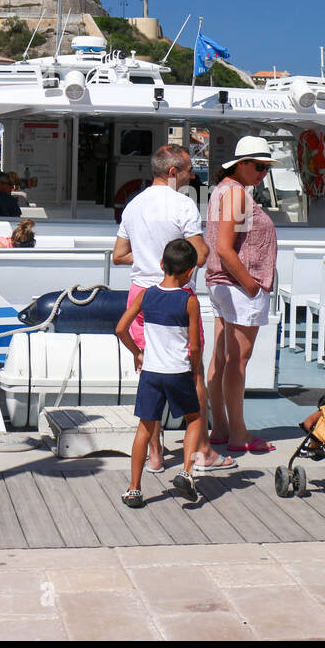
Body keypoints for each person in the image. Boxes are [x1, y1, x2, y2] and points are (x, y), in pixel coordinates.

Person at [113, 144, 232, 472]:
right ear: (172, 172)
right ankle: (203, 451)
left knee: (148, 370)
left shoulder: (133, 205)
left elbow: (119, 254)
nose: (193, 175)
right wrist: (184, 259)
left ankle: (154, 454)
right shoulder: (183, 204)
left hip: (140, 295)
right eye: (189, 170)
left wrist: (150, 256)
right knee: (192, 371)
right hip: (176, 295)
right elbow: (201, 254)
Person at [116, 239, 207, 508]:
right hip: (178, 371)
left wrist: (138, 353)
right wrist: (195, 371)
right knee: (195, 417)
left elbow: (121, 328)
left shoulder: (146, 295)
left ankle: (134, 489)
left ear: (161, 265)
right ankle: (186, 473)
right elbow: (195, 345)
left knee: (144, 428)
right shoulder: (189, 301)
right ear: (190, 272)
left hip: (151, 372)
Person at [205, 136, 279, 454]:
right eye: (260, 167)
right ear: (242, 165)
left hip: (221, 284)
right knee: (238, 361)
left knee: (222, 358)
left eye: (267, 169)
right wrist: (250, 284)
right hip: (238, 285)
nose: (263, 174)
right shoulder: (236, 194)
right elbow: (224, 246)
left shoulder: (224, 190)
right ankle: (238, 433)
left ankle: (220, 427)